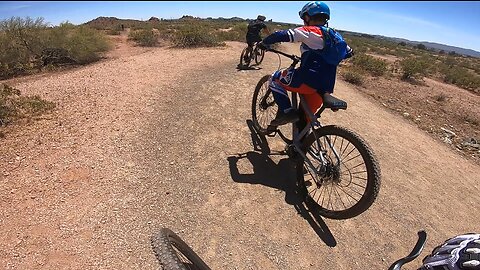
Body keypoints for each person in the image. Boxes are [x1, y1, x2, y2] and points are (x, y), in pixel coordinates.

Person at [257, 1, 354, 126]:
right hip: (325, 87)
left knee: (274, 78)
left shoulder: (310, 31)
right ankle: (301, 144)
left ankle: (287, 112)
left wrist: (264, 43)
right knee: (304, 121)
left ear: (308, 17)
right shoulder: (336, 36)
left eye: (304, 18)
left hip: (308, 81)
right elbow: (349, 52)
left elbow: (280, 34)